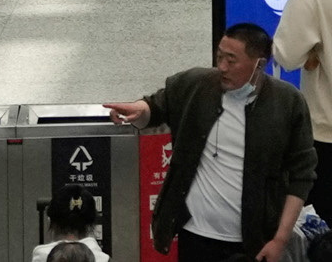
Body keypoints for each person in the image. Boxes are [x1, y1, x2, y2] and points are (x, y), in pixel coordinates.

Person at [110, 17, 315, 262]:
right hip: (196, 234)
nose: (223, 67)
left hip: (254, 240)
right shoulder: (197, 85)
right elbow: (156, 106)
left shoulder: (288, 103)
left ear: (259, 64)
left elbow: (301, 175)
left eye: (231, 60)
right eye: (220, 57)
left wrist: (280, 240)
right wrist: (138, 110)